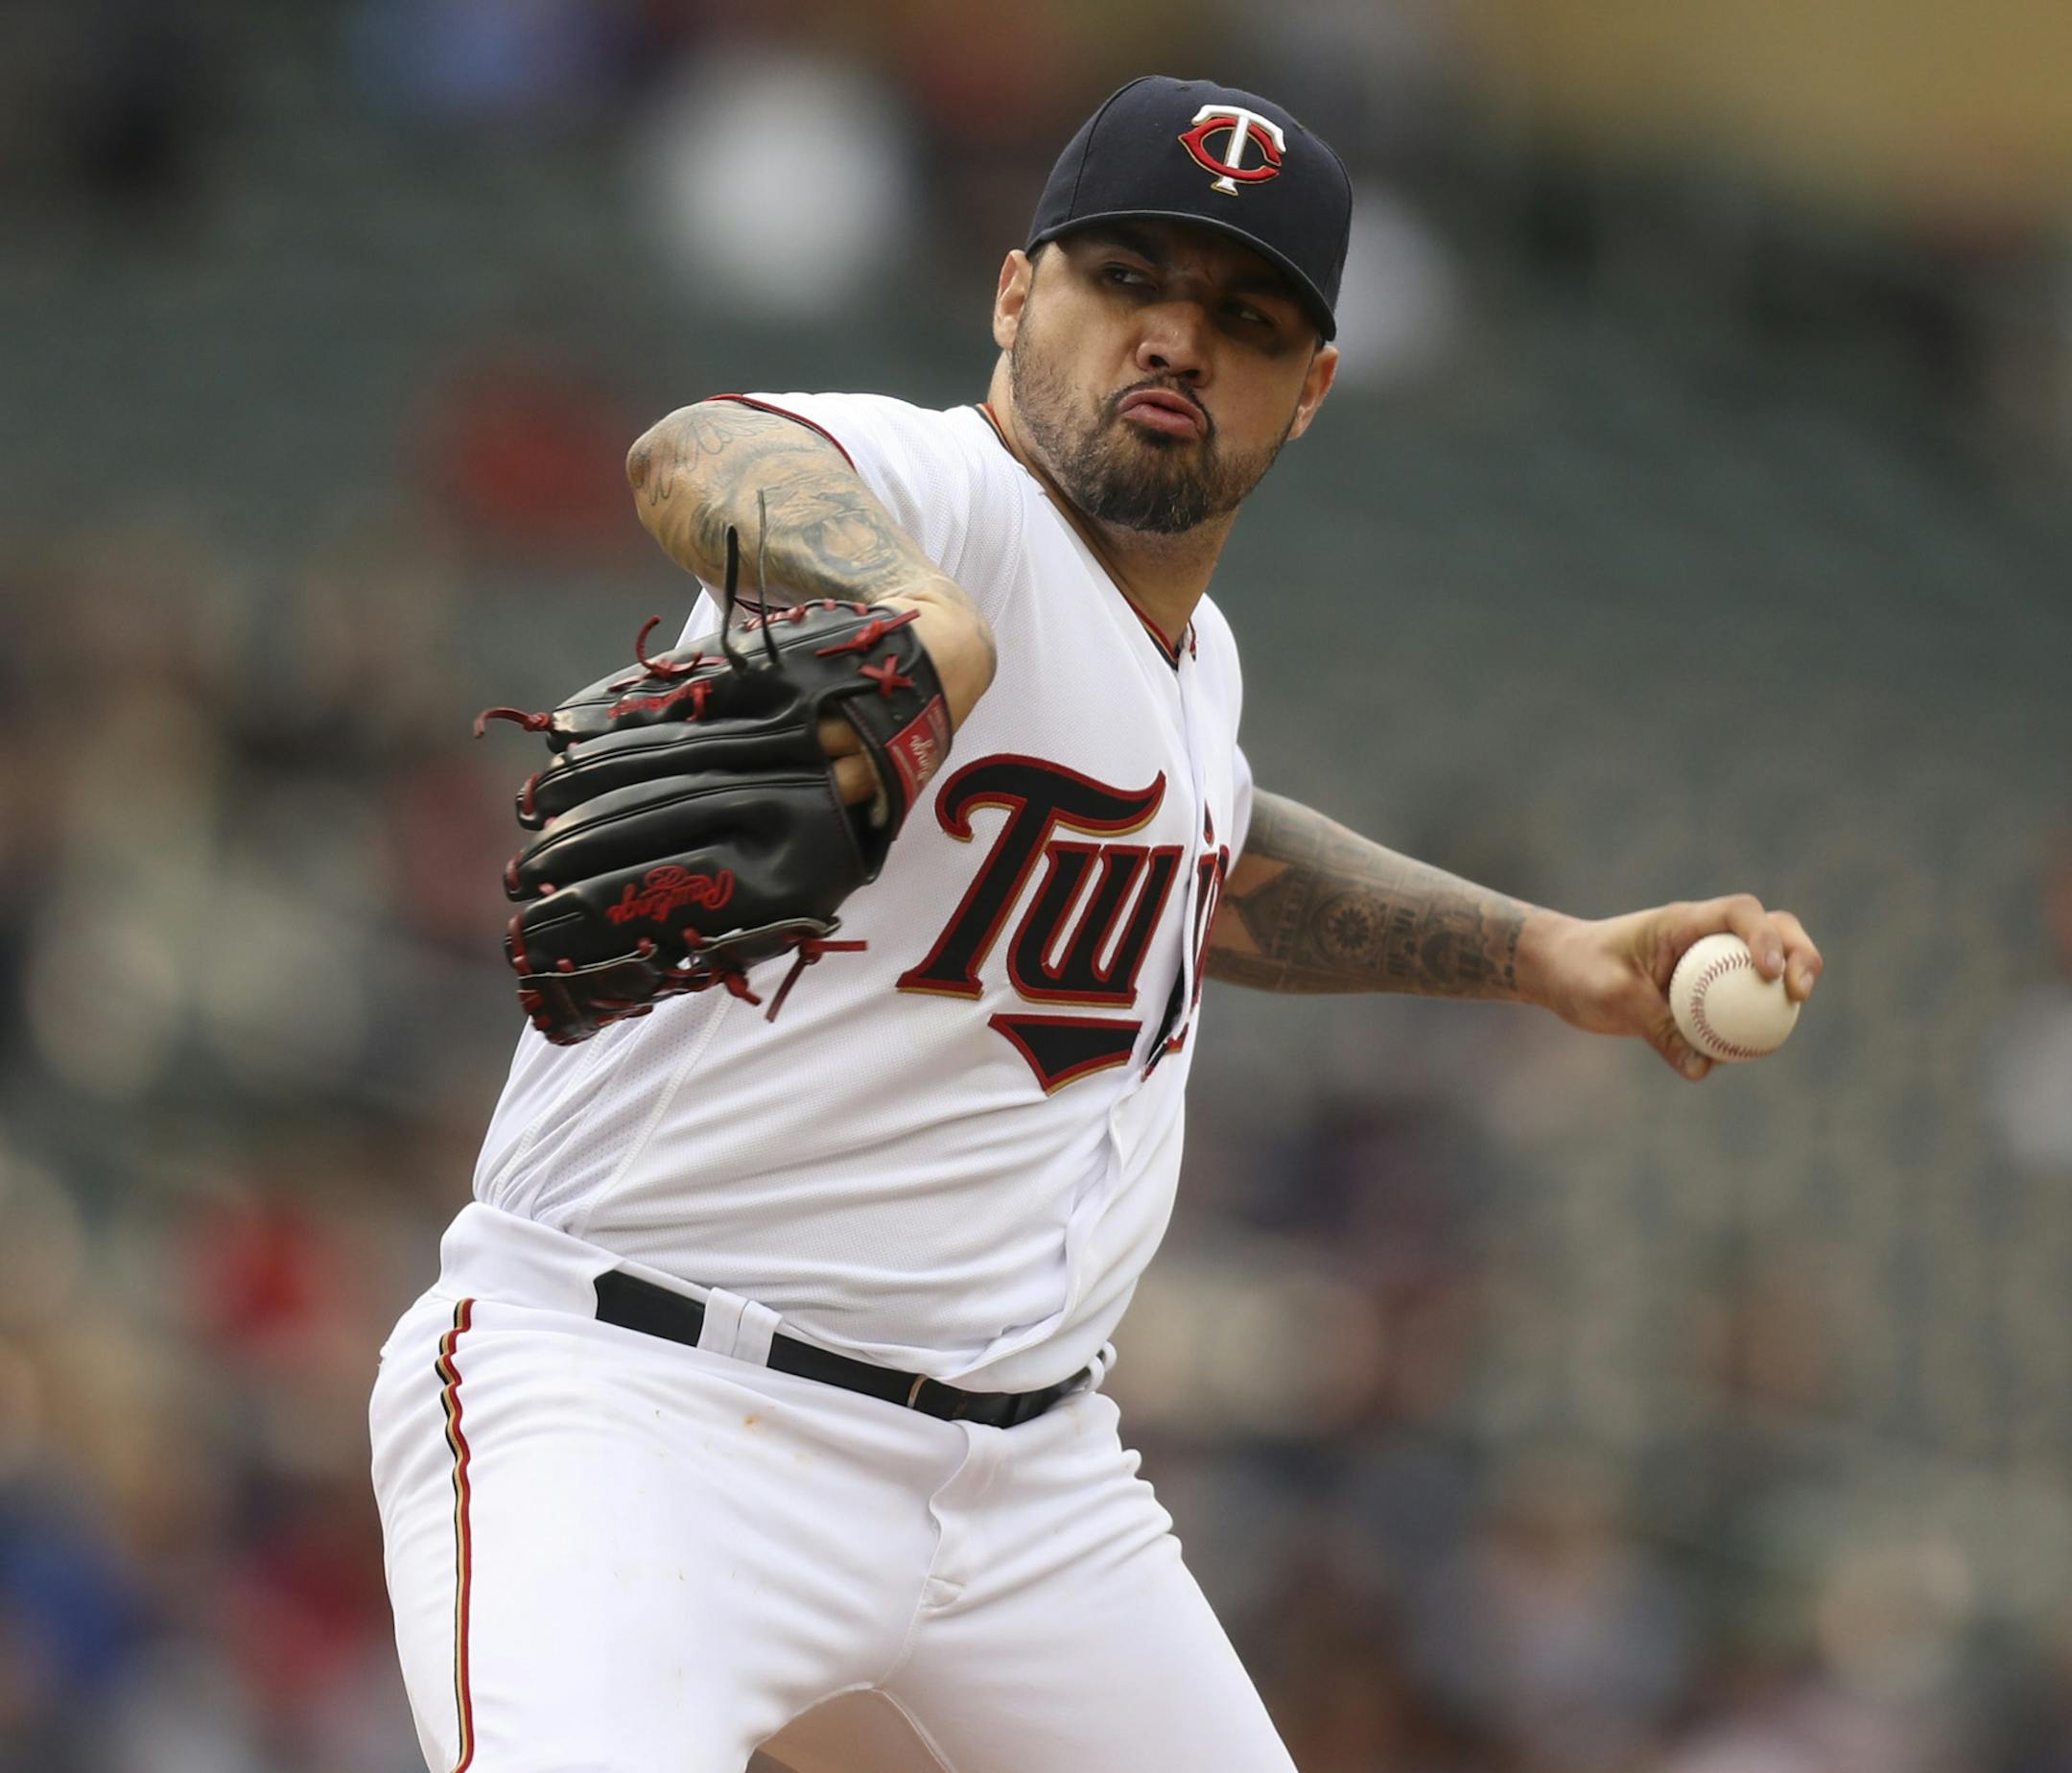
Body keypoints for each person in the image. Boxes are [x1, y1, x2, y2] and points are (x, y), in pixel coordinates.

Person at [368, 75, 1823, 1773]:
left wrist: (1543, 953)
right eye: (1126, 277)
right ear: (1013, 295)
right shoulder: (948, 505)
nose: (1178, 340)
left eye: (1246, 316)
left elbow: (1197, 853)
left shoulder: (1192, 667)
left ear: (1312, 391)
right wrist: (903, 603)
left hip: (1030, 1491)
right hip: (644, 1401)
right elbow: (706, 451)